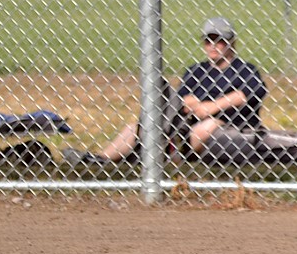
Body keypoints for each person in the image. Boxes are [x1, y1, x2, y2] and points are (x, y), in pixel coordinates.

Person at [62, 17, 267, 165]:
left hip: (232, 126)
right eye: (208, 40)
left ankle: (166, 156)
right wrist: (199, 107)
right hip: (189, 125)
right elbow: (184, 99)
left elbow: (246, 94)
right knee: (136, 127)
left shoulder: (245, 69)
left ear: (232, 42)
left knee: (209, 125)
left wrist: (211, 107)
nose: (213, 46)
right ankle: (100, 160)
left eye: (219, 40)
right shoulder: (197, 70)